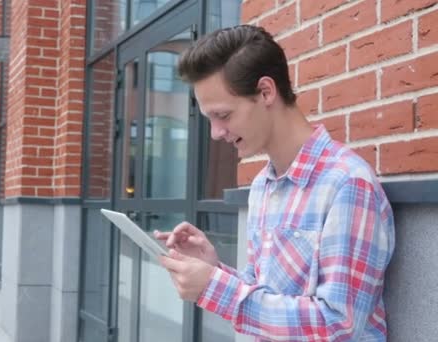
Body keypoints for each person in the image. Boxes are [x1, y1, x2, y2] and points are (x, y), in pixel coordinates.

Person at [154, 25, 395, 341]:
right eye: (209, 119)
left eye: (223, 115)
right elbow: (264, 293)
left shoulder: (347, 184)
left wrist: (215, 287)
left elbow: (339, 324)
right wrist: (214, 271)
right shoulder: (261, 187)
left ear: (266, 92)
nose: (215, 132)